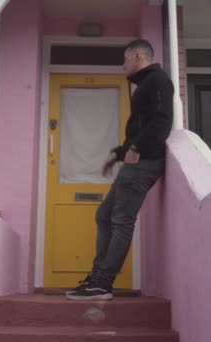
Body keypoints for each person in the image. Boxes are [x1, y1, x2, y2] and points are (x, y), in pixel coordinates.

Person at [66, 39, 174, 301]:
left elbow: (162, 120)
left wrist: (136, 147)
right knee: (104, 215)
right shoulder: (145, 84)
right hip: (134, 160)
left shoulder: (159, 80)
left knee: (121, 221)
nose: (122, 64)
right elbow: (141, 124)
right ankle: (97, 278)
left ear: (137, 55)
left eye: (125, 58)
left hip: (144, 162)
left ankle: (102, 283)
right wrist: (117, 155)